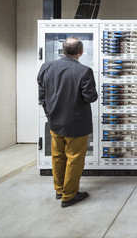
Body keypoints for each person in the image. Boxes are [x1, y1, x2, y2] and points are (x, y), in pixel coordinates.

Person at [37, 36, 98, 208]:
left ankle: (60, 189)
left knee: (58, 157)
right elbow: (90, 97)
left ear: (63, 51)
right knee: (75, 159)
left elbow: (42, 94)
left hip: (55, 121)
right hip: (76, 124)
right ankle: (69, 195)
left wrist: (50, 113)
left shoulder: (46, 66)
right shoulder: (84, 71)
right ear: (81, 52)